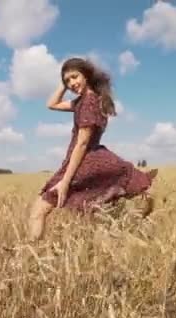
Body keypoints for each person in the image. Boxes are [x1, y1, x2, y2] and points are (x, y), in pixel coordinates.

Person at [28, 57, 158, 241]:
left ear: (86, 76)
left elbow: (82, 144)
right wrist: (63, 85)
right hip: (89, 158)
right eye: (67, 81)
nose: (72, 83)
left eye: (75, 77)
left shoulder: (88, 102)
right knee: (88, 214)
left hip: (82, 161)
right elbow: (52, 104)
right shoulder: (86, 100)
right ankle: (100, 246)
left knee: (38, 212)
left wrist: (65, 181)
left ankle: (31, 254)